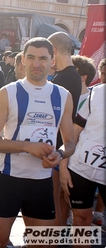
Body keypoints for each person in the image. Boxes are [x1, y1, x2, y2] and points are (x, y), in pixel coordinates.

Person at [0, 37, 75, 247]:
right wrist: (27, 146)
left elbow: (70, 142)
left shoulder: (63, 96)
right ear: (23, 60)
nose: (36, 64)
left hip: (42, 183)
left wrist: (59, 154)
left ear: (52, 60)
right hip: (10, 179)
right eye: (31, 57)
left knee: (42, 243)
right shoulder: (8, 92)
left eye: (42, 58)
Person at [59, 82, 105, 241]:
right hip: (80, 169)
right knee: (80, 219)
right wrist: (64, 167)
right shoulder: (95, 94)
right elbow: (74, 132)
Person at [47, 31, 82, 226]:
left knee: (51, 203)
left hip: (58, 150)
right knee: (57, 203)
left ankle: (47, 242)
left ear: (53, 50)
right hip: (61, 150)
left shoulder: (63, 79)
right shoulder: (71, 75)